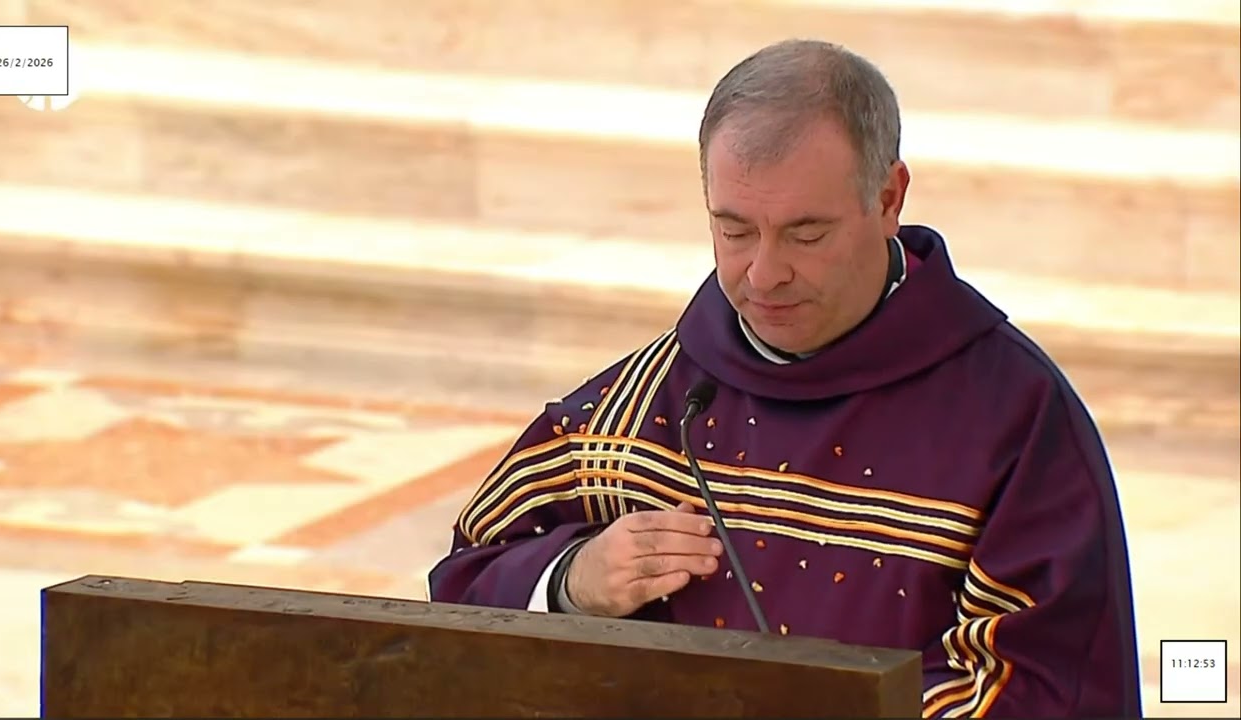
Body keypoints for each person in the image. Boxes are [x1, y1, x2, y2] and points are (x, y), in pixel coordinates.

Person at [427, 39, 1141, 718]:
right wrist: (573, 581)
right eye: (735, 230)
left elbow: (1048, 685)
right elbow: (459, 595)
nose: (764, 274)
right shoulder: (636, 409)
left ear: (889, 199)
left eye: (806, 234)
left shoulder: (1012, 422)